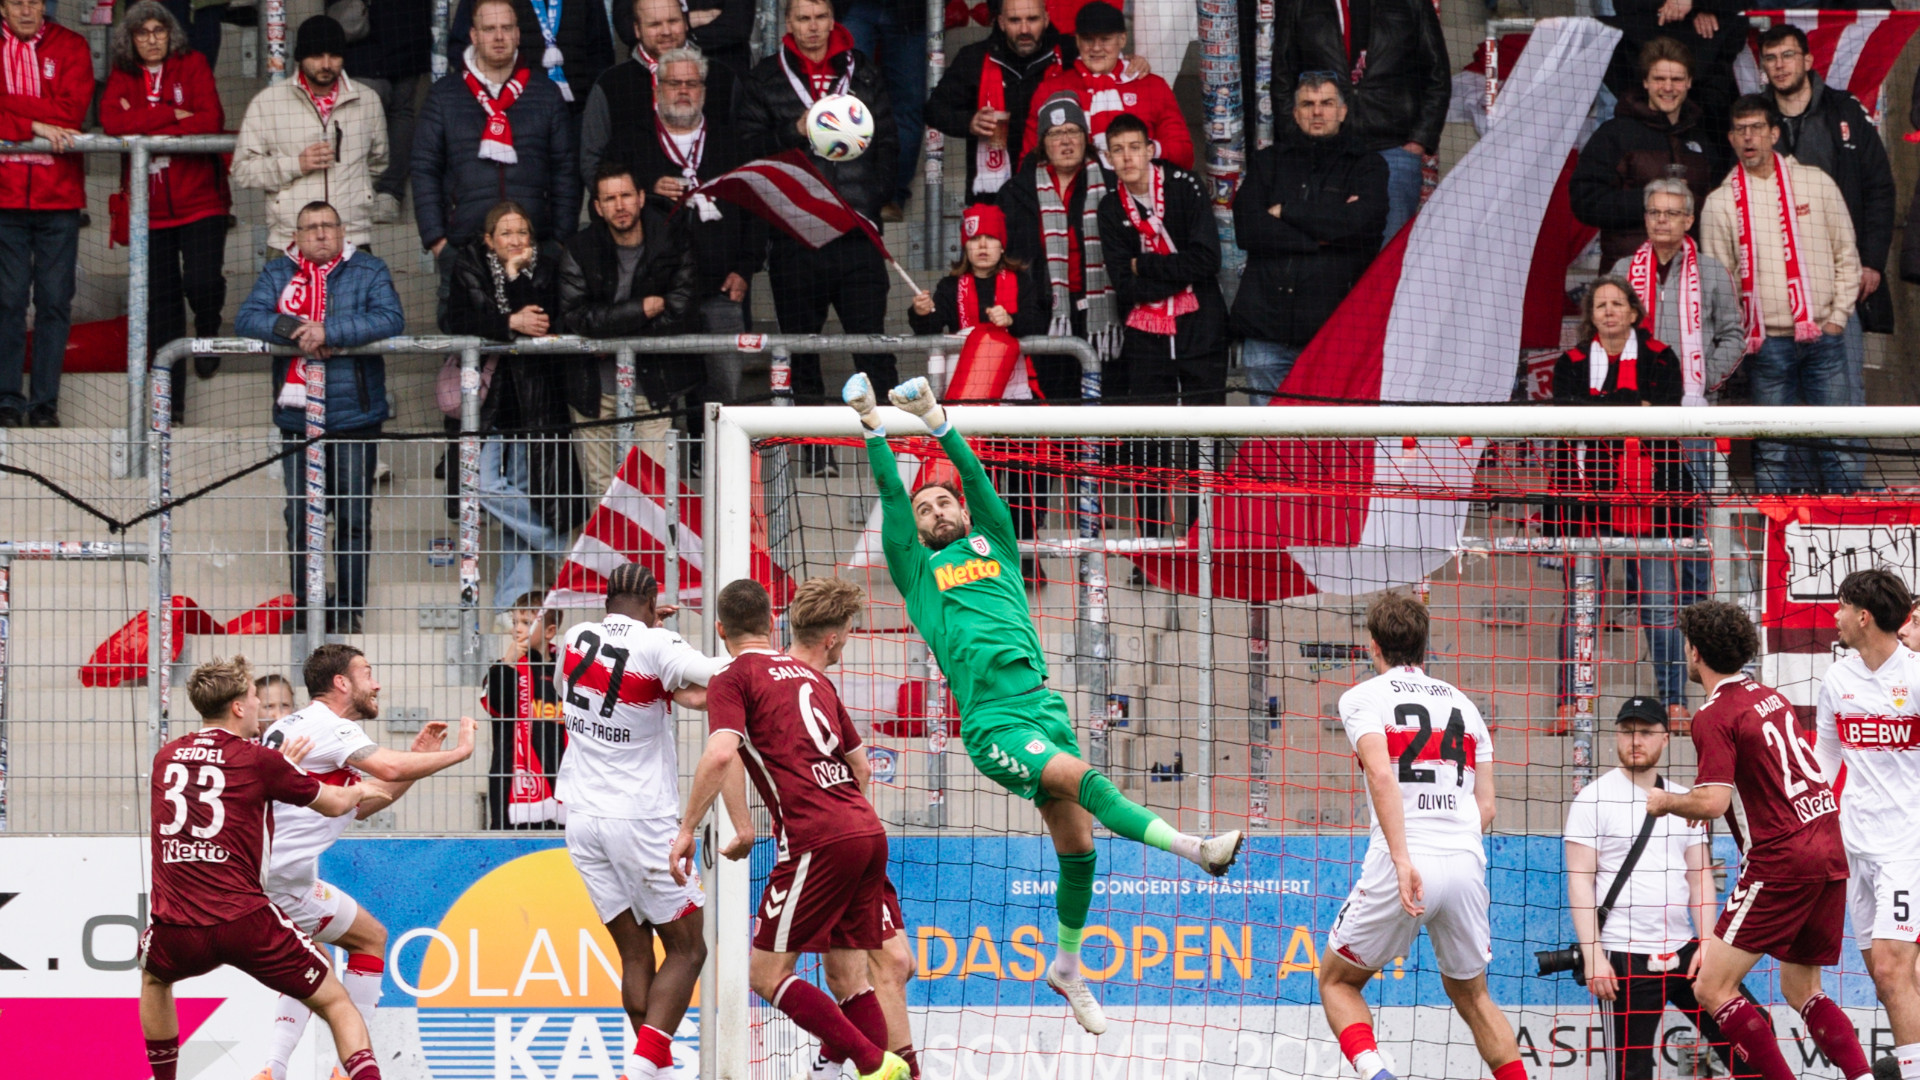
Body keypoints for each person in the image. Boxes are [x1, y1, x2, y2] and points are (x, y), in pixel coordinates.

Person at [843, 373, 1243, 1035]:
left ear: (966, 515)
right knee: (1083, 783)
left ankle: (1064, 963)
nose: (938, 510)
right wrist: (874, 427)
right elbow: (891, 491)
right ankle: (1196, 848)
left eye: (945, 503)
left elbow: (977, 481)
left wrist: (940, 422)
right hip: (993, 721)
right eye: (926, 509)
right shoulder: (916, 571)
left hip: (1043, 707)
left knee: (1079, 848)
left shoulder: (994, 540)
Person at [672, 576, 909, 1080]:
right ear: (772, 621)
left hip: (815, 839)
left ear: (719, 630)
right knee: (850, 978)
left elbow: (720, 754)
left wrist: (687, 828)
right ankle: (858, 1069)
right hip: (865, 831)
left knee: (766, 975)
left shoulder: (732, 679)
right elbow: (863, 768)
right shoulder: (812, 677)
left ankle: (871, 1063)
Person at [1644, 600, 1867, 1080]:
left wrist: (1666, 802)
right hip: (1829, 841)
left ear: (1695, 651)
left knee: (1711, 987)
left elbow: (1711, 802)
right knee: (1802, 987)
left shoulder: (1713, 714)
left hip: (1782, 857)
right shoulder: (1771, 695)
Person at [143, 657, 381, 1080]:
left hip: (178, 924)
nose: (263, 709)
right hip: (245, 920)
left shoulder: (166, 757)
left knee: (155, 982)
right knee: (336, 1002)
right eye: (256, 698)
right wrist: (361, 785)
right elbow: (336, 802)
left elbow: (219, 793)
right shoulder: (258, 759)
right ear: (238, 707)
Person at [253, 645, 478, 1080]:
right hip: (280, 879)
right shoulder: (328, 726)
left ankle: (274, 1069)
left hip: (271, 872)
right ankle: (341, 1069)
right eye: (367, 673)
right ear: (341, 683)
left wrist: (414, 761)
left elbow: (364, 801)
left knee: (328, 948)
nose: (375, 684)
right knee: (365, 941)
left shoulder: (293, 725)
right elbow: (388, 770)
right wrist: (458, 753)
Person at [1321, 594, 1521, 1080]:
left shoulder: (1363, 697)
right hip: (1466, 861)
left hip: (1404, 862)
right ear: (1424, 645)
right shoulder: (1466, 706)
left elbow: (1380, 775)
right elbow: (1487, 806)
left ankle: (1379, 1075)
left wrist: (1404, 857)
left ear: (1373, 646)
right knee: (1473, 995)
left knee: (1337, 982)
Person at [557, 562, 725, 1080]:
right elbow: (719, 676)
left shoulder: (573, 637)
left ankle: (655, 1066)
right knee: (688, 947)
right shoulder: (659, 646)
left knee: (635, 953)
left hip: (582, 815)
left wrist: (650, 630)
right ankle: (644, 1070)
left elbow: (647, 671)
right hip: (640, 818)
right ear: (654, 604)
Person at [763, 577, 919, 1080]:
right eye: (849, 631)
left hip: (843, 838)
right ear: (833, 637)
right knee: (858, 973)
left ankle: (833, 1062)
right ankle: (880, 1069)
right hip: (831, 841)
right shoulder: (782, 683)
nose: (849, 640)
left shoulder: (813, 686)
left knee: (887, 965)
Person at [235, 201, 405, 636]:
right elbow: (247, 318)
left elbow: (391, 318)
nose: (321, 233)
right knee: (300, 515)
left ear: (343, 230)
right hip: (296, 419)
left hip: (355, 417)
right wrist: (300, 332)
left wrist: (331, 332)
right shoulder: (278, 271)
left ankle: (348, 609)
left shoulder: (369, 269)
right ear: (297, 234)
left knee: (352, 516)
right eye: (311, 227)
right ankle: (306, 605)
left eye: (328, 225)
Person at [739, 0, 898, 440]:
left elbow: (887, 141)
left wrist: (872, 197)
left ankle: (893, 445)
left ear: (833, 20)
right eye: (803, 18)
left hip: (857, 230)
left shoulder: (862, 70)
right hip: (795, 234)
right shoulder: (766, 77)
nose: (813, 28)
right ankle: (814, 450)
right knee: (802, 351)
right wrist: (795, 128)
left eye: (821, 17)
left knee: (872, 348)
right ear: (788, 23)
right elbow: (750, 150)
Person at [1565, 696, 1745, 1080]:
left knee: (1749, 1038)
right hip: (1624, 957)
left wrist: (1709, 944)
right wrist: (1593, 953)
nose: (1635, 740)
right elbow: (1579, 881)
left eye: (1646, 732)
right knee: (1632, 1072)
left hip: (1687, 952)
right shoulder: (1592, 799)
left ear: (1665, 738)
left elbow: (1699, 877)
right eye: (1627, 731)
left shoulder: (1687, 801)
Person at [1547, 278, 1687, 735]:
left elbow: (1665, 416)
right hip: (1589, 501)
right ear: (1591, 315)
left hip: (1652, 501)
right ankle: (1569, 703)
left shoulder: (1662, 356)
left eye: (1617, 304)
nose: (1609, 311)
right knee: (1580, 605)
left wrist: (1605, 407)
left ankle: (1676, 701)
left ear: (1633, 312)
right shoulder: (1569, 362)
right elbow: (1569, 417)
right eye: (1600, 305)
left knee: (1661, 608)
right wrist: (1629, 405)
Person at [1700, 95, 1860, 495]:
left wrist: (1838, 316)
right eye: (1740, 130)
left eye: (1756, 128)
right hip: (1766, 346)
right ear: (1731, 139)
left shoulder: (1815, 182)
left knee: (1838, 443)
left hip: (1825, 335)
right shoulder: (1720, 203)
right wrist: (1746, 335)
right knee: (1773, 449)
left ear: (1774, 133)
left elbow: (1846, 252)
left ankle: (1850, 540)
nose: (1748, 137)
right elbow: (1721, 281)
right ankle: (1780, 545)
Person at [443, 199, 578, 614]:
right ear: (488, 239)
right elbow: (455, 319)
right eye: (506, 232)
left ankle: (509, 607)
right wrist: (508, 325)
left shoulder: (547, 267)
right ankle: (558, 545)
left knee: (518, 497)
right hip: (487, 403)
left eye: (522, 232)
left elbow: (541, 318)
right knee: (482, 483)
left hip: (532, 401)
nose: (516, 239)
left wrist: (517, 276)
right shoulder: (468, 265)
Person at [1812, 569, 1920, 1080]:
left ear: (1863, 615)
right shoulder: (1838, 679)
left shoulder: (1917, 676)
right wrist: (1809, 821)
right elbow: (1825, 759)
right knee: (1892, 979)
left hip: (1908, 846)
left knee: (1890, 968)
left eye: (1840, 607)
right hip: (1855, 845)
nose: (1834, 617)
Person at [620, 45, 766, 418]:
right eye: (674, 83)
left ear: (704, 89)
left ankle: (716, 468)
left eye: (692, 83)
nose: (683, 91)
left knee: (724, 396)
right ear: (657, 88)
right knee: (660, 398)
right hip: (658, 294)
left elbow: (756, 210)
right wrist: (647, 191)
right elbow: (607, 204)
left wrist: (745, 268)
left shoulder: (730, 141)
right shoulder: (632, 141)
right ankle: (670, 473)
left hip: (721, 289)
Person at [102, 1, 231, 420]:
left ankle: (209, 327)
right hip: (149, 212)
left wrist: (141, 118)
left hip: (201, 202)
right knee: (163, 310)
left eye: (159, 30)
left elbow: (210, 118)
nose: (152, 39)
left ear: (170, 33)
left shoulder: (192, 63)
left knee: (202, 283)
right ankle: (169, 407)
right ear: (130, 38)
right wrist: (170, 113)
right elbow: (110, 122)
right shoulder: (122, 73)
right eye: (142, 32)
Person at [416, 0, 580, 328]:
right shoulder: (444, 95)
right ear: (473, 36)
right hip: (465, 250)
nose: (499, 36)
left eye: (507, 28)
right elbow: (424, 169)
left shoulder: (546, 94)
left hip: (534, 250)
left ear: (519, 34)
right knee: (469, 357)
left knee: (538, 362)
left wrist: (559, 239)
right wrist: (438, 242)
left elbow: (566, 171)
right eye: (490, 29)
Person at [1757, 24, 1896, 410]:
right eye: (1770, 58)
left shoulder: (1845, 110)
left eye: (1787, 55)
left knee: (1844, 400)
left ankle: (1843, 475)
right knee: (1783, 413)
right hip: (1773, 288)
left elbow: (1880, 190)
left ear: (1808, 60)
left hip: (1839, 283)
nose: (1780, 65)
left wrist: (1871, 262)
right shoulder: (1751, 120)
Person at [1231, 73, 1388, 404]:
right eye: (1308, 104)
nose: (1318, 112)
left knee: (1325, 443)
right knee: (1267, 446)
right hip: (1266, 330)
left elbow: (1360, 226)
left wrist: (1285, 211)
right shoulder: (1268, 162)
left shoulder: (1367, 165)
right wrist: (1319, 237)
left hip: (1331, 332)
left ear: (1343, 111)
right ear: (1295, 112)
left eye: (1327, 103)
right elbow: (1248, 229)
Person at [558, 163, 696, 498]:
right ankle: (608, 556)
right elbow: (575, 316)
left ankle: (653, 555)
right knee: (603, 492)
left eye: (626, 196)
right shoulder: (579, 249)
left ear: (641, 197)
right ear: (597, 207)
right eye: (610, 199)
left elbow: (681, 312)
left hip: (654, 387)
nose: (620, 205)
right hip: (595, 391)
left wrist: (612, 334)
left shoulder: (672, 243)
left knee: (656, 494)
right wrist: (642, 309)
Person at [1272, 0, 1448, 241]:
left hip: (1393, 148)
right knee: (1328, 254)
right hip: (1324, 151)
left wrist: (1417, 141)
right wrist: (1298, 143)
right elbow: (1283, 77)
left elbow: (1437, 75)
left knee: (1386, 260)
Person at [1098, 113, 1228, 407]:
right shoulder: (1109, 207)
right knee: (1151, 433)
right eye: (1118, 150)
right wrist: (1182, 276)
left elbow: (1208, 260)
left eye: (1134, 147)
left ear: (1149, 150)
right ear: (1107, 157)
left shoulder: (1185, 185)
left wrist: (1144, 266)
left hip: (1201, 327)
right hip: (1146, 340)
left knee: (1205, 427)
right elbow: (1125, 284)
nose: (1127, 157)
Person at [0, 0, 89, 429]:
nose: (26, 9)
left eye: (34, 1)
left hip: (59, 197)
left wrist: (9, 110)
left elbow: (71, 113)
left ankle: (44, 404)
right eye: (17, 1)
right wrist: (35, 126)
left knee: (54, 302)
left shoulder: (71, 45)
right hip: (4, 198)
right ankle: (6, 399)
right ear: (2, 7)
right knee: (8, 300)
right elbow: (53, 115)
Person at [231, 15, 390, 252]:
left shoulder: (367, 100)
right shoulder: (268, 102)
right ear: (300, 58)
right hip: (291, 240)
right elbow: (243, 170)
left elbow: (378, 162)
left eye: (334, 56)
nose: (326, 64)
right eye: (316, 56)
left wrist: (358, 193)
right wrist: (297, 165)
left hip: (351, 238)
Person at [1572, 38, 1730, 269]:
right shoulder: (1615, 134)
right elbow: (1584, 202)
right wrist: (1648, 199)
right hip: (1627, 280)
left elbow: (1715, 205)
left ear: (1689, 82)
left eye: (1676, 79)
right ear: (1645, 82)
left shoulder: (1702, 139)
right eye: (1659, 79)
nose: (1668, 87)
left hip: (1689, 278)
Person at [1002, 93, 1117, 400]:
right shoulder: (1017, 191)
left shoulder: (1111, 183)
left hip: (1104, 316)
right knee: (1056, 408)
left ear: (1086, 138)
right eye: (1055, 134)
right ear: (1043, 142)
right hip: (1045, 317)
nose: (1066, 142)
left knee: (1108, 410)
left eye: (1073, 131)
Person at [581, 0, 741, 191]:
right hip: (640, 216)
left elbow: (743, 151)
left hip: (715, 209)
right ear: (637, 29)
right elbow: (593, 163)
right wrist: (643, 192)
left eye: (673, 21)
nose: (666, 32)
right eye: (655, 25)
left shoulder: (722, 78)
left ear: (686, 23)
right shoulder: (611, 85)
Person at [924, 0, 1068, 200]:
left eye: (1032, 19)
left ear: (1046, 19)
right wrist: (970, 122)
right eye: (1015, 20)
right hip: (991, 197)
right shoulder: (973, 58)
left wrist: (1127, 65)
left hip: (1059, 189)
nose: (1024, 29)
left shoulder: (1068, 55)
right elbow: (934, 110)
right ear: (1000, 22)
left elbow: (1102, 60)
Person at [1022, 2, 1190, 172]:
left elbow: (1184, 153)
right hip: (1075, 193)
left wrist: (1138, 151)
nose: (1096, 48)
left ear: (1122, 39)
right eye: (1088, 39)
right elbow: (1028, 161)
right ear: (1077, 41)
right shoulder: (1052, 89)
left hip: (1142, 190)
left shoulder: (1151, 85)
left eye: (1105, 39)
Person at [447, 0, 615, 126]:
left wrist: (589, 108)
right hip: (511, 118)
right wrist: (496, 97)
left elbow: (601, 52)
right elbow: (461, 49)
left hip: (577, 117)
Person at [344, 0, 434, 225]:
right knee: (397, 110)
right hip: (403, 26)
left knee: (369, 107)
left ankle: (374, 193)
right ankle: (387, 195)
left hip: (371, 28)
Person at [481, 597, 565, 828]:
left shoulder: (567, 671)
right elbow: (495, 705)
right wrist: (508, 665)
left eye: (527, 622)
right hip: (511, 782)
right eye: (514, 621)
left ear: (549, 631)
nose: (516, 628)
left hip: (562, 780)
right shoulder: (506, 668)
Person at [908, 204, 1050, 339]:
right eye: (975, 239)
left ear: (1002, 247)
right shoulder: (950, 286)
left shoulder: (1022, 281)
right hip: (964, 362)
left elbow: (1038, 324)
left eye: (990, 238)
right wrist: (921, 313)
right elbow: (930, 330)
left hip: (1013, 363)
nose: (982, 245)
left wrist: (1010, 320)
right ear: (966, 247)